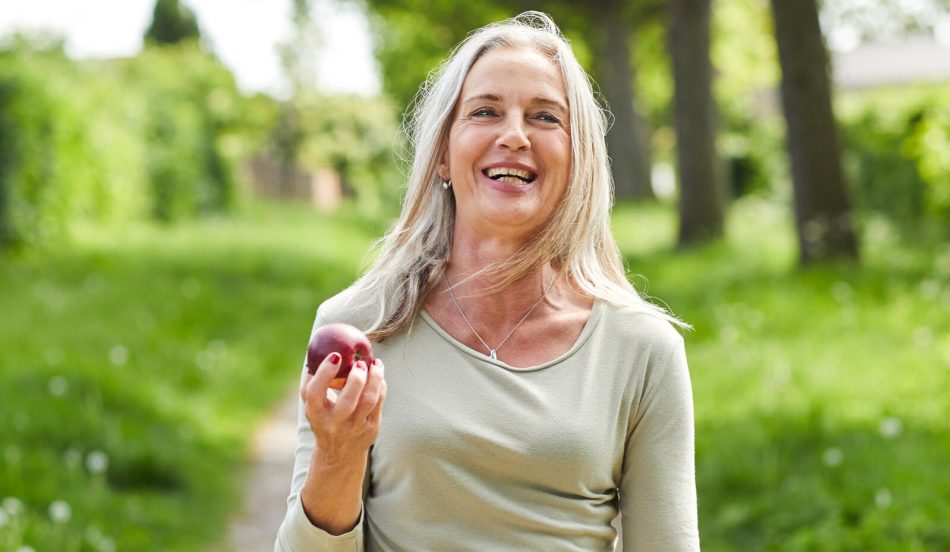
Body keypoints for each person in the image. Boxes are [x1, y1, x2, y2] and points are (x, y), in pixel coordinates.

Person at [275, 11, 698, 551]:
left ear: (578, 161)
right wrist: (338, 455)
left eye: (546, 117)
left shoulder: (642, 350)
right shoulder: (360, 325)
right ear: (443, 155)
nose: (515, 136)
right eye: (485, 111)